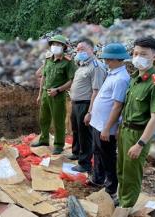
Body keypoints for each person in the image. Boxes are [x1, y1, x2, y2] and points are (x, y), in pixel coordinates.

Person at [117, 36, 155, 207]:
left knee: (131, 173)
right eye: (136, 53)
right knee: (122, 169)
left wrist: (140, 144)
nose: (138, 57)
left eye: (143, 54)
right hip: (124, 131)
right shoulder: (135, 78)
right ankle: (122, 197)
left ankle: (126, 206)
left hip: (138, 134)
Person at [88, 43, 131, 204]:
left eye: (108, 59)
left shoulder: (121, 79)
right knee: (97, 152)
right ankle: (98, 179)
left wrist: (107, 128)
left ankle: (111, 188)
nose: (106, 62)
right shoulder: (112, 73)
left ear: (118, 59)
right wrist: (91, 114)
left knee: (108, 158)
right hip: (97, 123)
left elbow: (117, 105)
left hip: (106, 127)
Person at [31, 35, 76, 155]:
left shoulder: (68, 62)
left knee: (58, 121)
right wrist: (40, 94)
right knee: (43, 118)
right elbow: (43, 77)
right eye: (53, 44)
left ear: (64, 47)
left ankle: (58, 145)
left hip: (58, 95)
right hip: (46, 93)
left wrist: (59, 89)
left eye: (58, 44)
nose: (55, 47)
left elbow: (72, 80)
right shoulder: (48, 60)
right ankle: (44, 139)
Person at [69, 38, 106, 173]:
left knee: (85, 134)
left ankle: (84, 163)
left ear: (92, 49)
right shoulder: (82, 65)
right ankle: (77, 152)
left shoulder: (96, 67)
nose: (79, 52)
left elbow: (96, 91)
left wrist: (90, 112)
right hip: (76, 103)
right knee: (76, 130)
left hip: (85, 104)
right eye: (78, 50)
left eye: (82, 49)